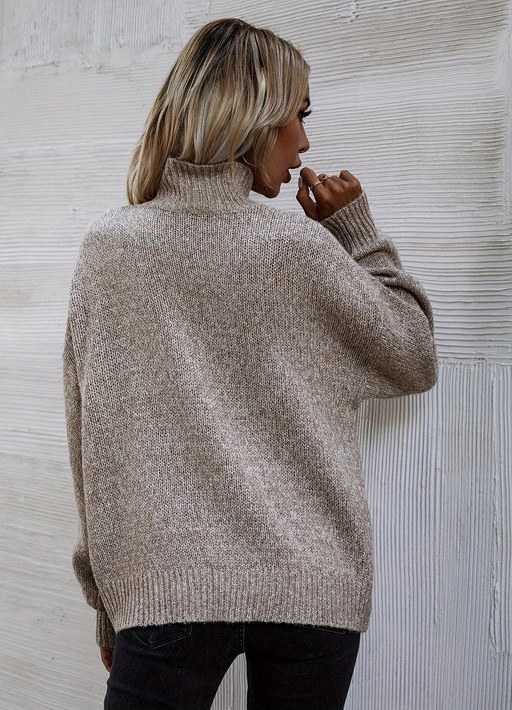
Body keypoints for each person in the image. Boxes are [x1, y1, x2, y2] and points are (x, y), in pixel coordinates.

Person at [62, 17, 438, 710]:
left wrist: (107, 600)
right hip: (312, 591)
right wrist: (355, 236)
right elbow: (412, 354)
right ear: (252, 117)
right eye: (298, 115)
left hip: (164, 593)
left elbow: (92, 442)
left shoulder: (112, 248)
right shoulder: (301, 250)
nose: (305, 142)